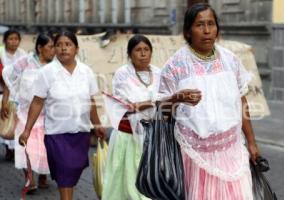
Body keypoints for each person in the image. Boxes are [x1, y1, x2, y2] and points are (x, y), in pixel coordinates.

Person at [157, 3, 260, 200]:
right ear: (188, 32)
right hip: (195, 157)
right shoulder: (175, 65)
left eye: (211, 24)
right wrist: (177, 98)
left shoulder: (230, 60)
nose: (206, 31)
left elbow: (241, 101)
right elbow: (162, 111)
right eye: (199, 25)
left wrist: (252, 142)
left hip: (232, 151)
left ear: (217, 29)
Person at [18, 31, 106, 200]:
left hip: (80, 133)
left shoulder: (86, 71)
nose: (63, 48)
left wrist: (97, 125)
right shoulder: (47, 72)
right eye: (59, 45)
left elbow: (91, 101)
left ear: (77, 49)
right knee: (65, 172)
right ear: (55, 49)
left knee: (74, 169)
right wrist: (27, 130)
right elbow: (37, 102)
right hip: (56, 134)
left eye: (68, 44)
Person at [101, 34, 160, 200]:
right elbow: (130, 105)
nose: (143, 54)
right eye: (138, 50)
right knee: (128, 185)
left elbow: (165, 100)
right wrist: (153, 103)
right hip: (128, 137)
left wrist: (149, 103)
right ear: (129, 54)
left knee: (149, 185)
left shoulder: (159, 73)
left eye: (146, 50)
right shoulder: (122, 74)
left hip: (153, 136)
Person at [1, 33, 55, 192]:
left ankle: (44, 176)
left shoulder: (55, 66)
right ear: (40, 48)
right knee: (25, 146)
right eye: (50, 47)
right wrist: (6, 101)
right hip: (25, 113)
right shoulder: (26, 61)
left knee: (45, 148)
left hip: (49, 115)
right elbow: (8, 76)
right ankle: (29, 178)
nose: (53, 50)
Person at [0, 29, 27, 161]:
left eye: (16, 39)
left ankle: (14, 148)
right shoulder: (1, 53)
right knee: (5, 119)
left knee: (16, 120)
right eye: (11, 39)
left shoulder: (23, 55)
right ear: (5, 41)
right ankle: (8, 147)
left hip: (18, 92)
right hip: (2, 91)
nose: (14, 42)